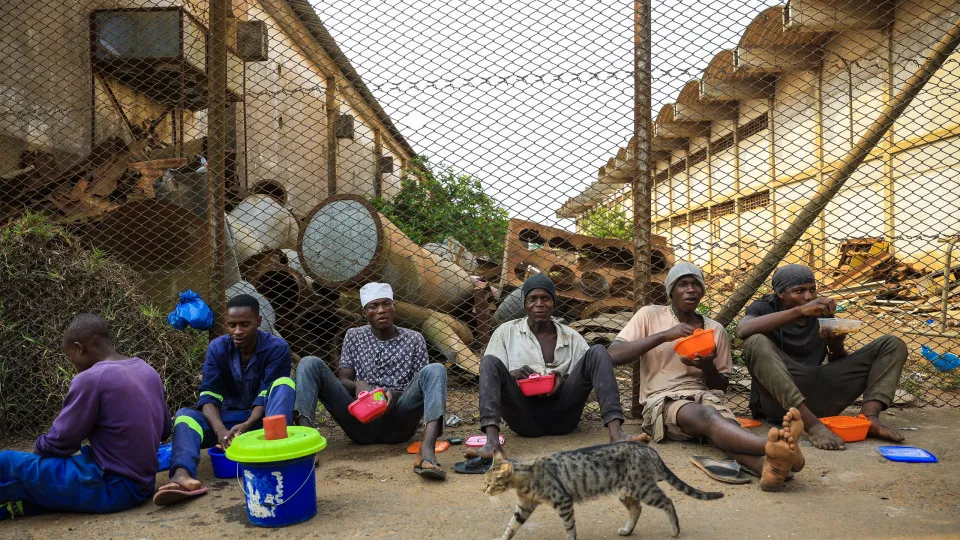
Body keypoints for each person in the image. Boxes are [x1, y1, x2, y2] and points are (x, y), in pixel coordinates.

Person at [608, 262, 804, 491]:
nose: (690, 289)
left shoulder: (714, 330)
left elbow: (720, 386)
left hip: (706, 395)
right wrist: (664, 336)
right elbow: (613, 355)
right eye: (683, 284)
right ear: (671, 291)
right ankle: (773, 447)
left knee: (725, 428)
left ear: (702, 291)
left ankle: (768, 467)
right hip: (662, 400)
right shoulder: (649, 316)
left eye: (695, 284)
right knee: (709, 417)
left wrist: (707, 365)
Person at [456, 273, 646, 475]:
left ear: (553, 303)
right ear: (525, 304)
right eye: (532, 299)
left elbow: (589, 386)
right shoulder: (506, 332)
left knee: (598, 352)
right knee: (488, 361)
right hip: (523, 418)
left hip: (564, 417)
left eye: (545, 298)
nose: (539, 304)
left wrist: (563, 382)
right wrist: (514, 375)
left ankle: (616, 435)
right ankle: (492, 444)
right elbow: (490, 380)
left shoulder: (571, 337)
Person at [0, 313, 170, 520]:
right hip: (144, 483)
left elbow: (60, 443)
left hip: (114, 488)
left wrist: (38, 450)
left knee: (6, 461)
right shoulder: (146, 370)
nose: (71, 362)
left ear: (79, 348)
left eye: (69, 355)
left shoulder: (91, 379)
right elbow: (165, 430)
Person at [737, 264, 908, 450]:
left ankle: (869, 417)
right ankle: (810, 424)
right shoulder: (765, 308)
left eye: (812, 290)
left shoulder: (821, 313)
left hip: (820, 392)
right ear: (780, 294)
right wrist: (800, 311)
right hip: (784, 405)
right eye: (799, 291)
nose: (808, 297)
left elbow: (837, 362)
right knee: (755, 341)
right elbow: (743, 330)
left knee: (892, 344)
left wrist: (835, 346)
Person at [294, 282, 448, 480]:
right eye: (373, 306)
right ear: (364, 312)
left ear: (394, 308)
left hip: (399, 421)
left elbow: (421, 386)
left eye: (386, 304)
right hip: (361, 422)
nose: (381, 310)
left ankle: (426, 452)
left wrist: (395, 395)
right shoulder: (354, 336)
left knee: (435, 369)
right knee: (309, 363)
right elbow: (343, 379)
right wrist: (358, 385)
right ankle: (306, 447)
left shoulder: (414, 339)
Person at [154, 294, 296, 506]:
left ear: (258, 322)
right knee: (185, 416)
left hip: (262, 422)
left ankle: (279, 455)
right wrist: (221, 432)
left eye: (244, 325)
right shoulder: (217, 348)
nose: (237, 331)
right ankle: (182, 476)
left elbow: (267, 393)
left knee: (284, 384)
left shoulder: (277, 347)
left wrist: (248, 424)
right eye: (232, 325)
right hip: (227, 423)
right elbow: (209, 394)